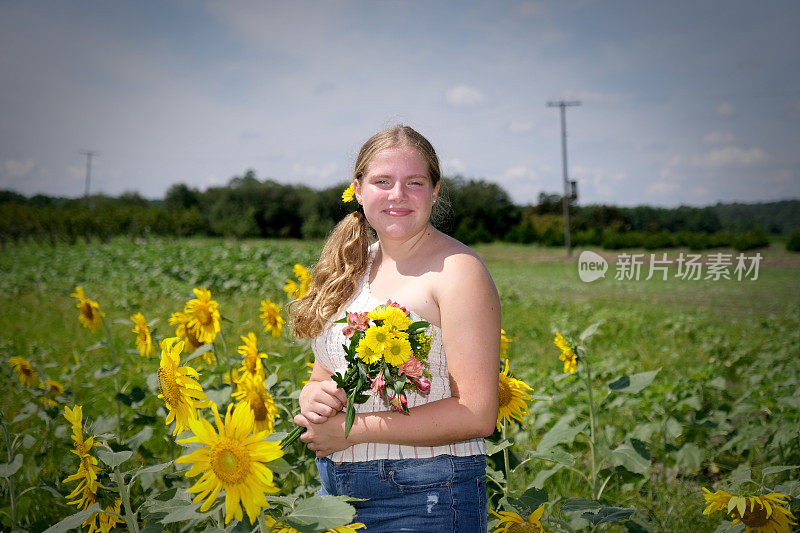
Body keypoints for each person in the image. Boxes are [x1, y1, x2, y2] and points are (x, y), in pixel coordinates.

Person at [289, 125, 501, 532]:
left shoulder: (458, 272)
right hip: (335, 494)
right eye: (382, 181)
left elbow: (477, 413)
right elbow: (326, 372)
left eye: (414, 183)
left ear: (435, 191)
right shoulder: (350, 266)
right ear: (358, 188)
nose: (397, 195)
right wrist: (312, 395)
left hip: (426, 497)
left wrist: (349, 432)